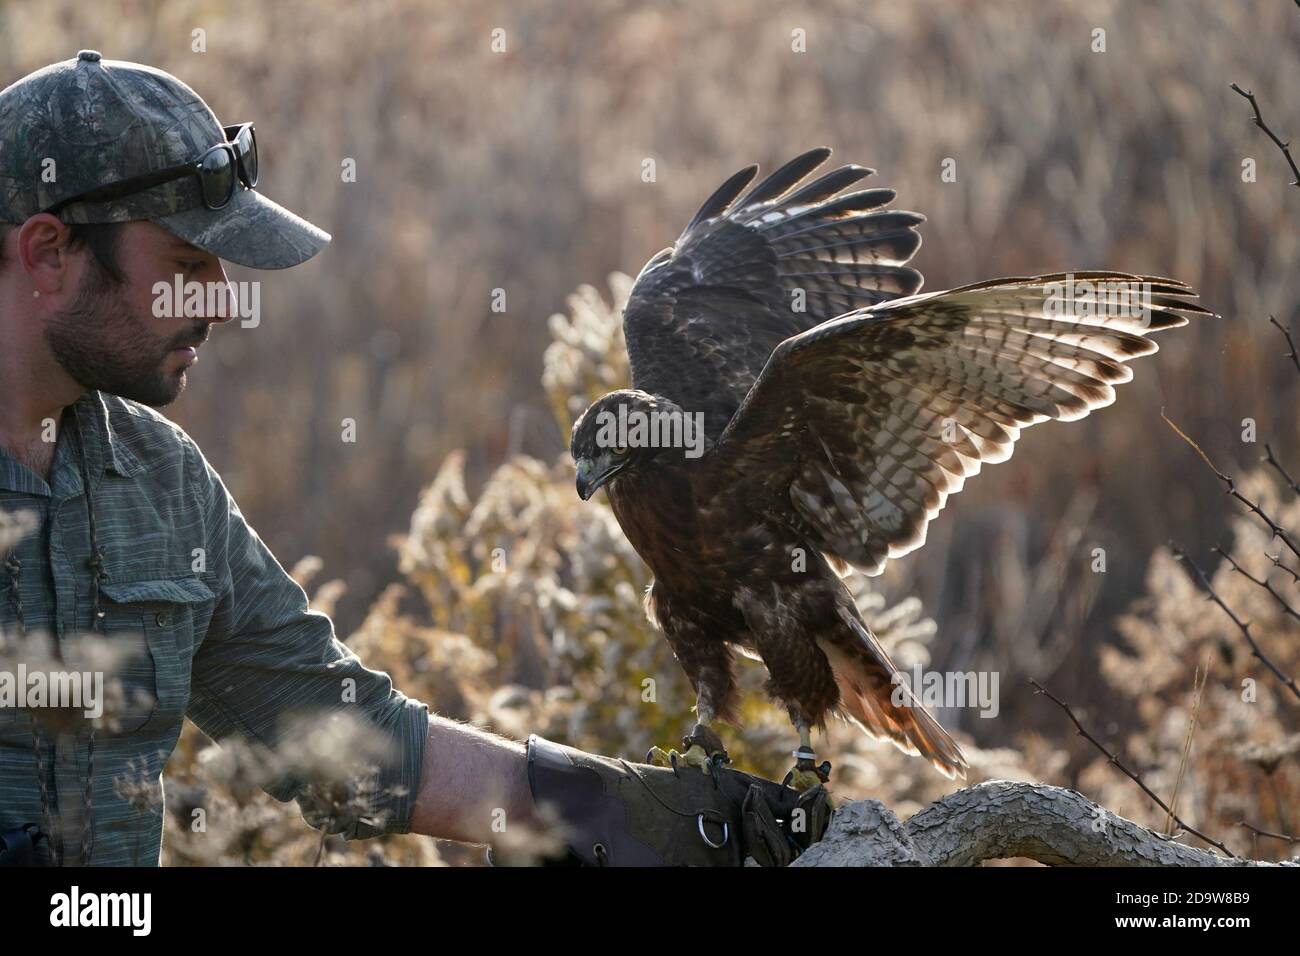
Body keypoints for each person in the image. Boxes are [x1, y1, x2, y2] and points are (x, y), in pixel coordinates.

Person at [0, 52, 821, 867]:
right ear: (47, 253)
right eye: (185, 266)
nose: (221, 300)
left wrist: (637, 816)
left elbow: (341, 733)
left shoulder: (157, 480)